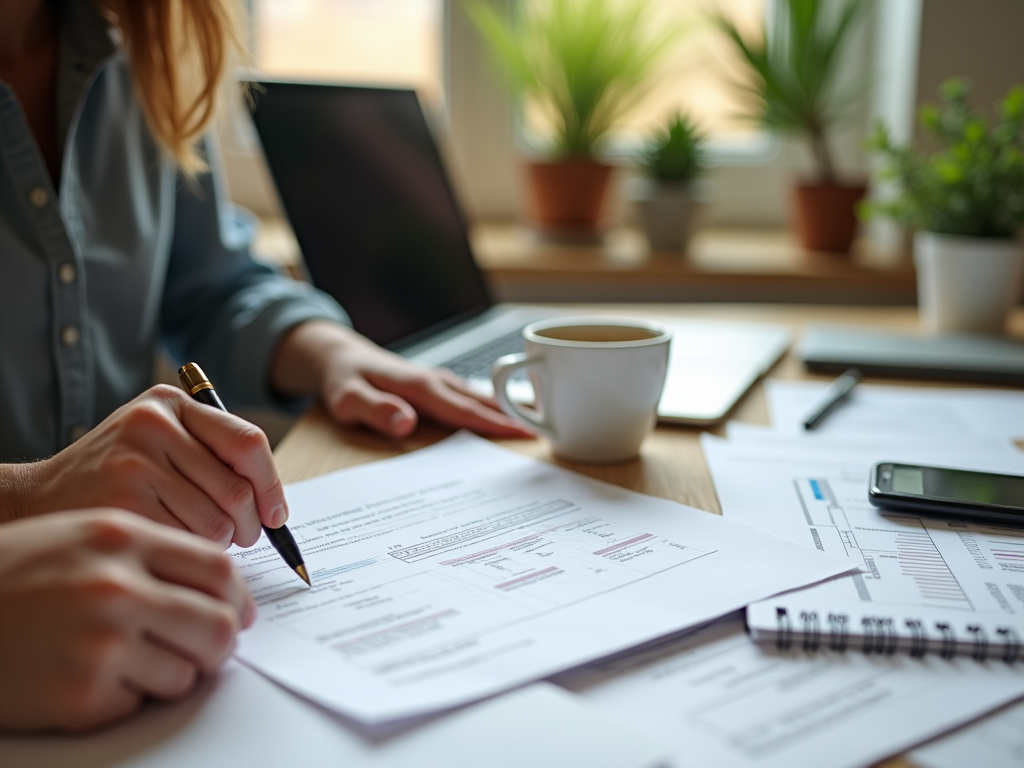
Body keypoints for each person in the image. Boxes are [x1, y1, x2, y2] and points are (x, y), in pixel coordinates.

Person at [0, 0, 530, 731]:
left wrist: (333, 353)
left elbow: (212, 284)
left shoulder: (142, 45)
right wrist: (29, 496)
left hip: (136, 615)